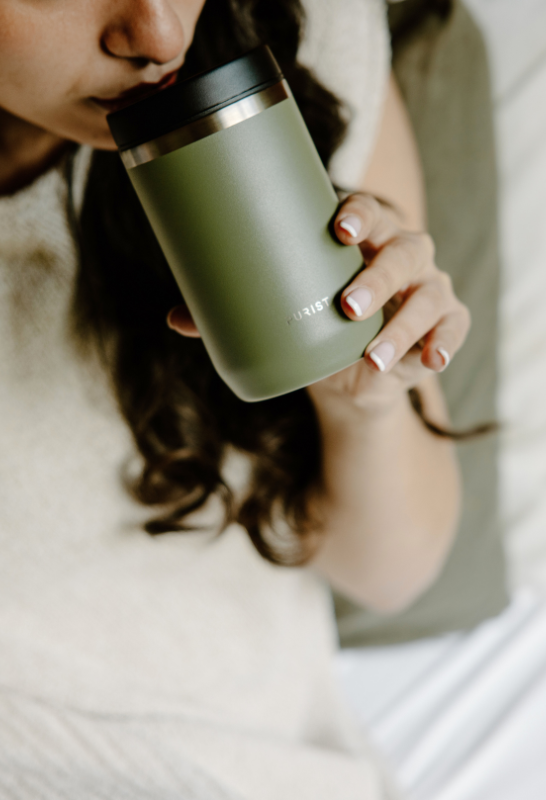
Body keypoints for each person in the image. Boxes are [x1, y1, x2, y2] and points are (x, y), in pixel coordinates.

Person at [0, 0, 469, 797]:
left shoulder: (298, 43)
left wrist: (363, 402)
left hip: (245, 764)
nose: (159, 35)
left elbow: (391, 574)